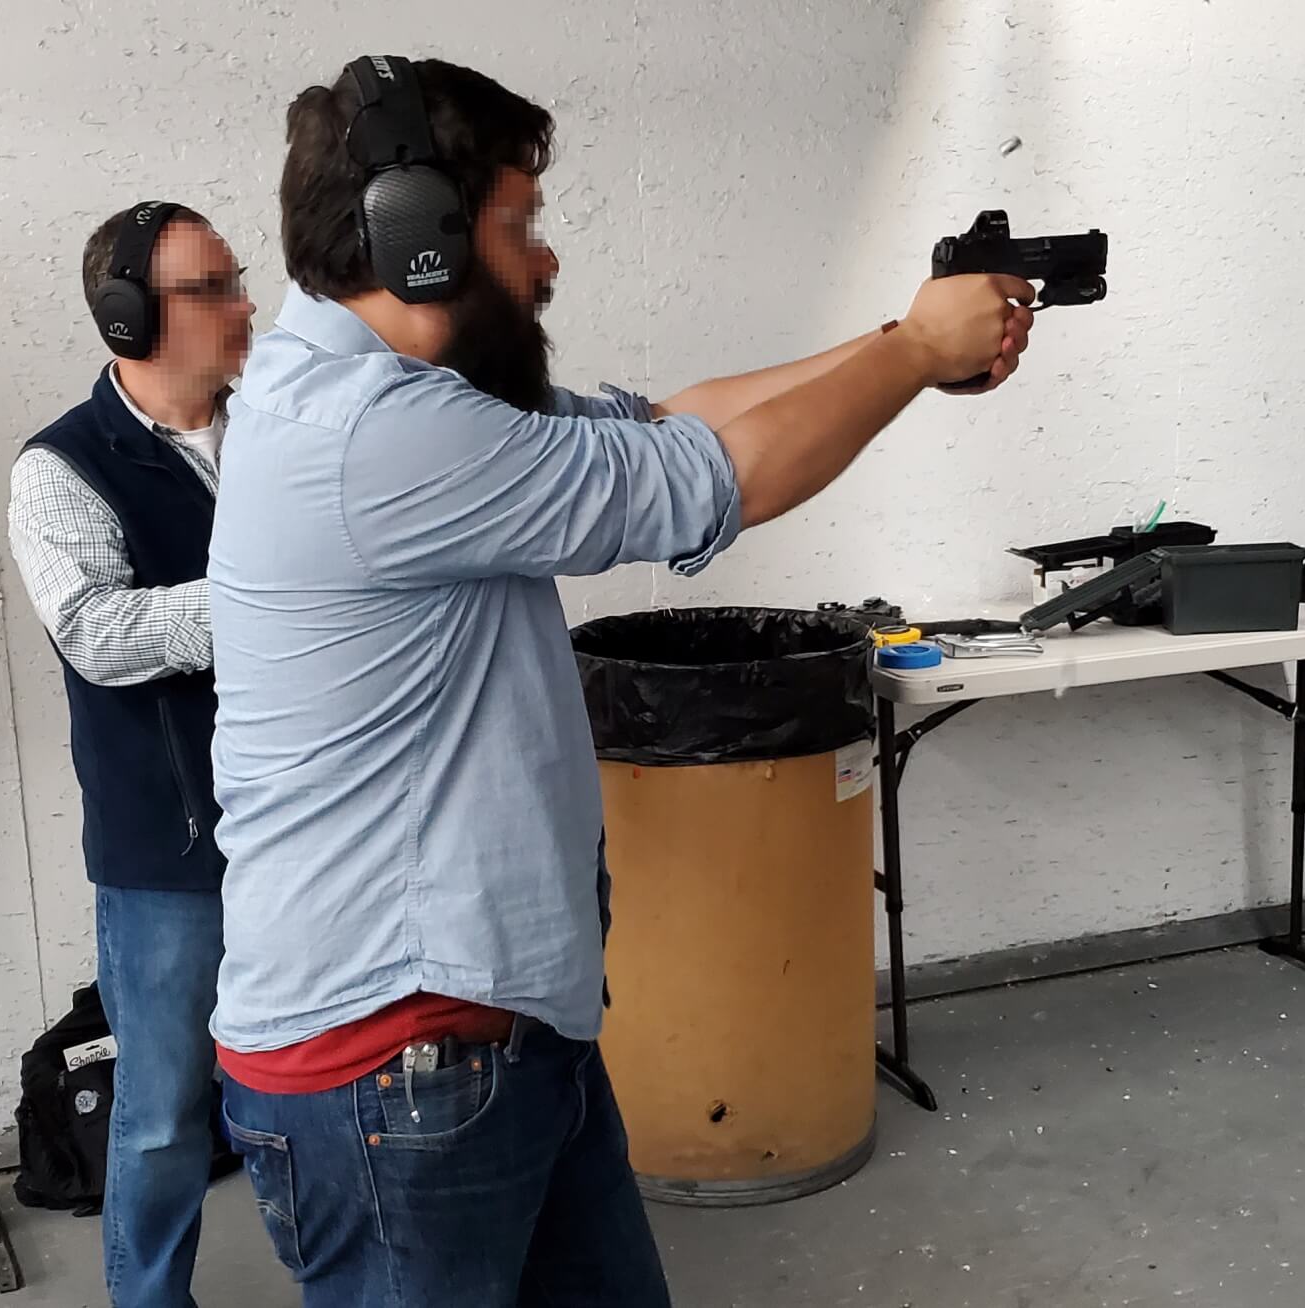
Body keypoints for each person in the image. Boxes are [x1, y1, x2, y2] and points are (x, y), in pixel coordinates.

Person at [205, 54, 1034, 1307]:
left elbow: (665, 424)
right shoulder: (379, 435)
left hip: (492, 1041)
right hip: (402, 1072)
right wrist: (916, 354)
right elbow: (716, 481)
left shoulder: (381, 396)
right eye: (519, 225)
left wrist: (897, 342)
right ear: (420, 239)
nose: (543, 265)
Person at [5, 200, 256, 1308]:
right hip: (168, 846)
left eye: (235, 278)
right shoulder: (60, 469)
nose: (245, 305)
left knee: (321, 1083)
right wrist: (277, 598)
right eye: (211, 289)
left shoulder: (285, 428)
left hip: (311, 822)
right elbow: (100, 637)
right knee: (159, 1116)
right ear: (125, 318)